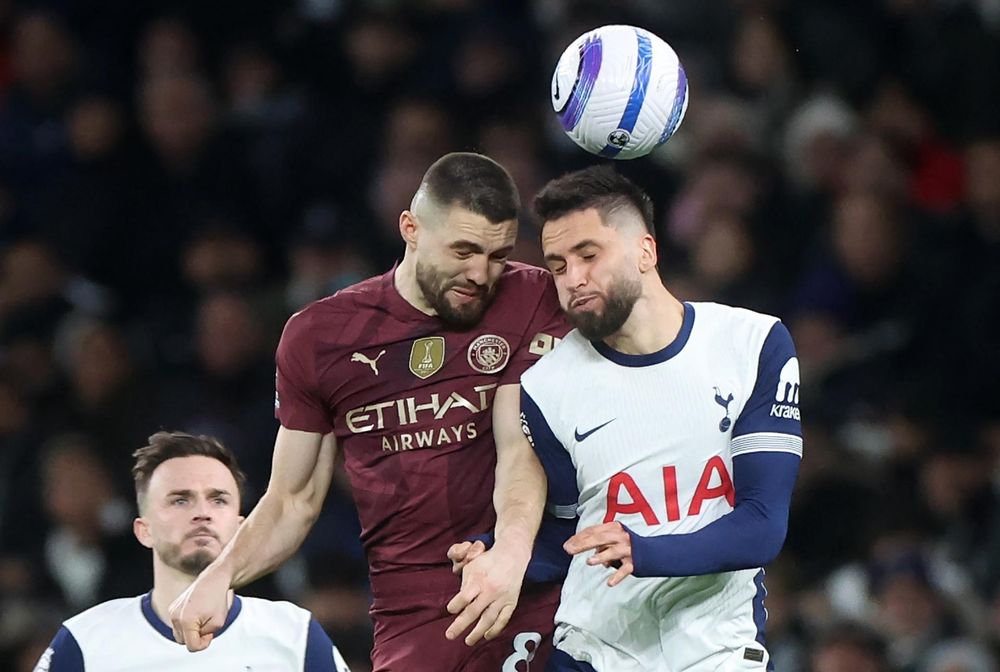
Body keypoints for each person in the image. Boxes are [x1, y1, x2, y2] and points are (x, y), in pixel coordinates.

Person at [168, 152, 570, 671]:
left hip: (532, 586)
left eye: (497, 255)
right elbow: (292, 499)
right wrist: (218, 576)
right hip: (414, 613)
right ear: (411, 228)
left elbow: (521, 447)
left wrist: (512, 553)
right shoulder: (320, 337)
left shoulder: (532, 298)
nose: (481, 274)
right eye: (464, 250)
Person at [521, 166, 802, 671]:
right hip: (594, 649)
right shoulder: (545, 386)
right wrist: (492, 551)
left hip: (717, 648)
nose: (573, 279)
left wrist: (644, 551)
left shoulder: (753, 345)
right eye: (557, 266)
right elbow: (565, 537)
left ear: (646, 252)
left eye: (589, 255)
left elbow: (762, 526)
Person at [34, 431, 350, 671]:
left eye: (218, 500)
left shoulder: (296, 635)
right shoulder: (85, 642)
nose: (203, 513)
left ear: (242, 526)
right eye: (180, 500)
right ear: (144, 531)